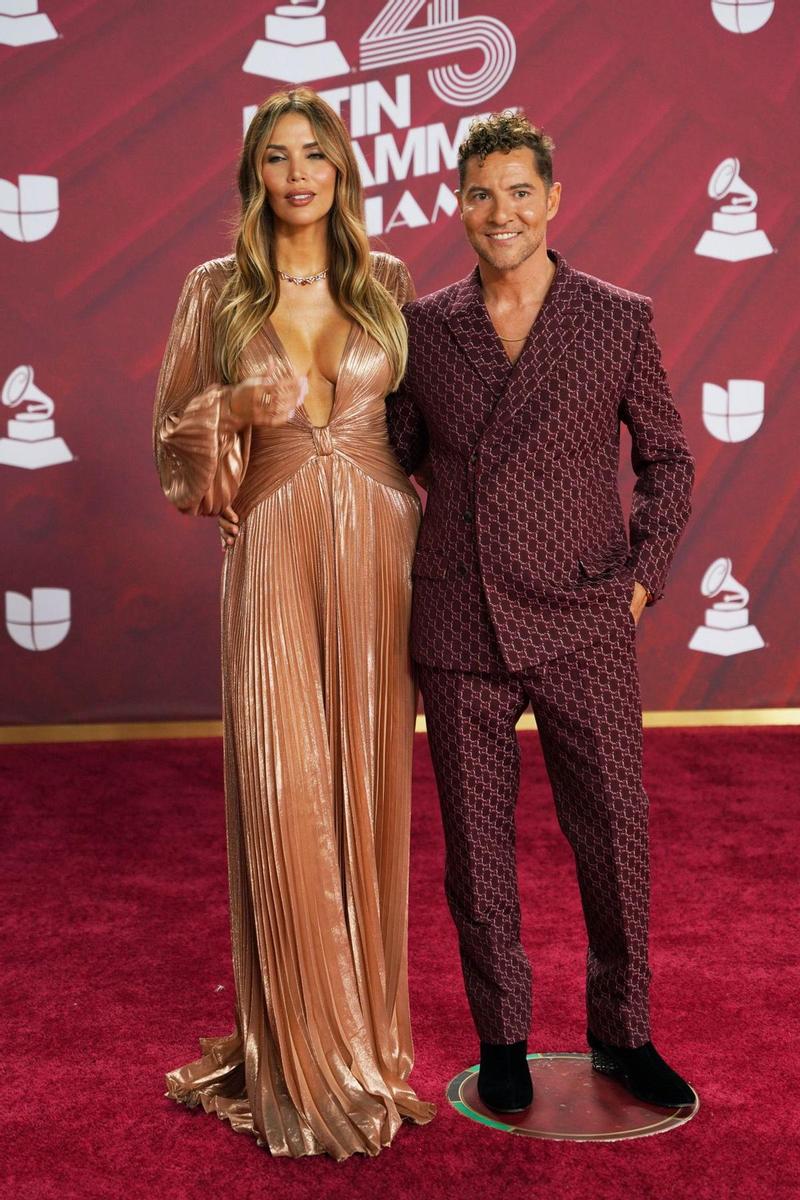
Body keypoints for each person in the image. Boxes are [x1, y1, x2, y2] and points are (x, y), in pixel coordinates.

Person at [384, 112, 697, 1113]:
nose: (500, 211)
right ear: (457, 204)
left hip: (583, 619)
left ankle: (621, 1033)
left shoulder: (613, 317)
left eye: (519, 191)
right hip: (459, 622)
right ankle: (503, 1036)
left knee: (613, 832)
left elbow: (667, 462)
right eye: (480, 193)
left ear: (553, 199)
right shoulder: (423, 327)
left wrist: (639, 582)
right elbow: (389, 455)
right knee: (474, 848)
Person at [153, 87, 434, 1160]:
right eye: (277, 158)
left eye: (314, 155)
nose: (298, 174)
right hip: (268, 548)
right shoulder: (213, 293)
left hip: (379, 557)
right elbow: (175, 458)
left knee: (364, 789)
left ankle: (361, 1036)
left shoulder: (388, 284)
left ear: (341, 169)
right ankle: (298, 1055)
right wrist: (227, 412)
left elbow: (429, 428)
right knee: (286, 794)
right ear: (253, 177)